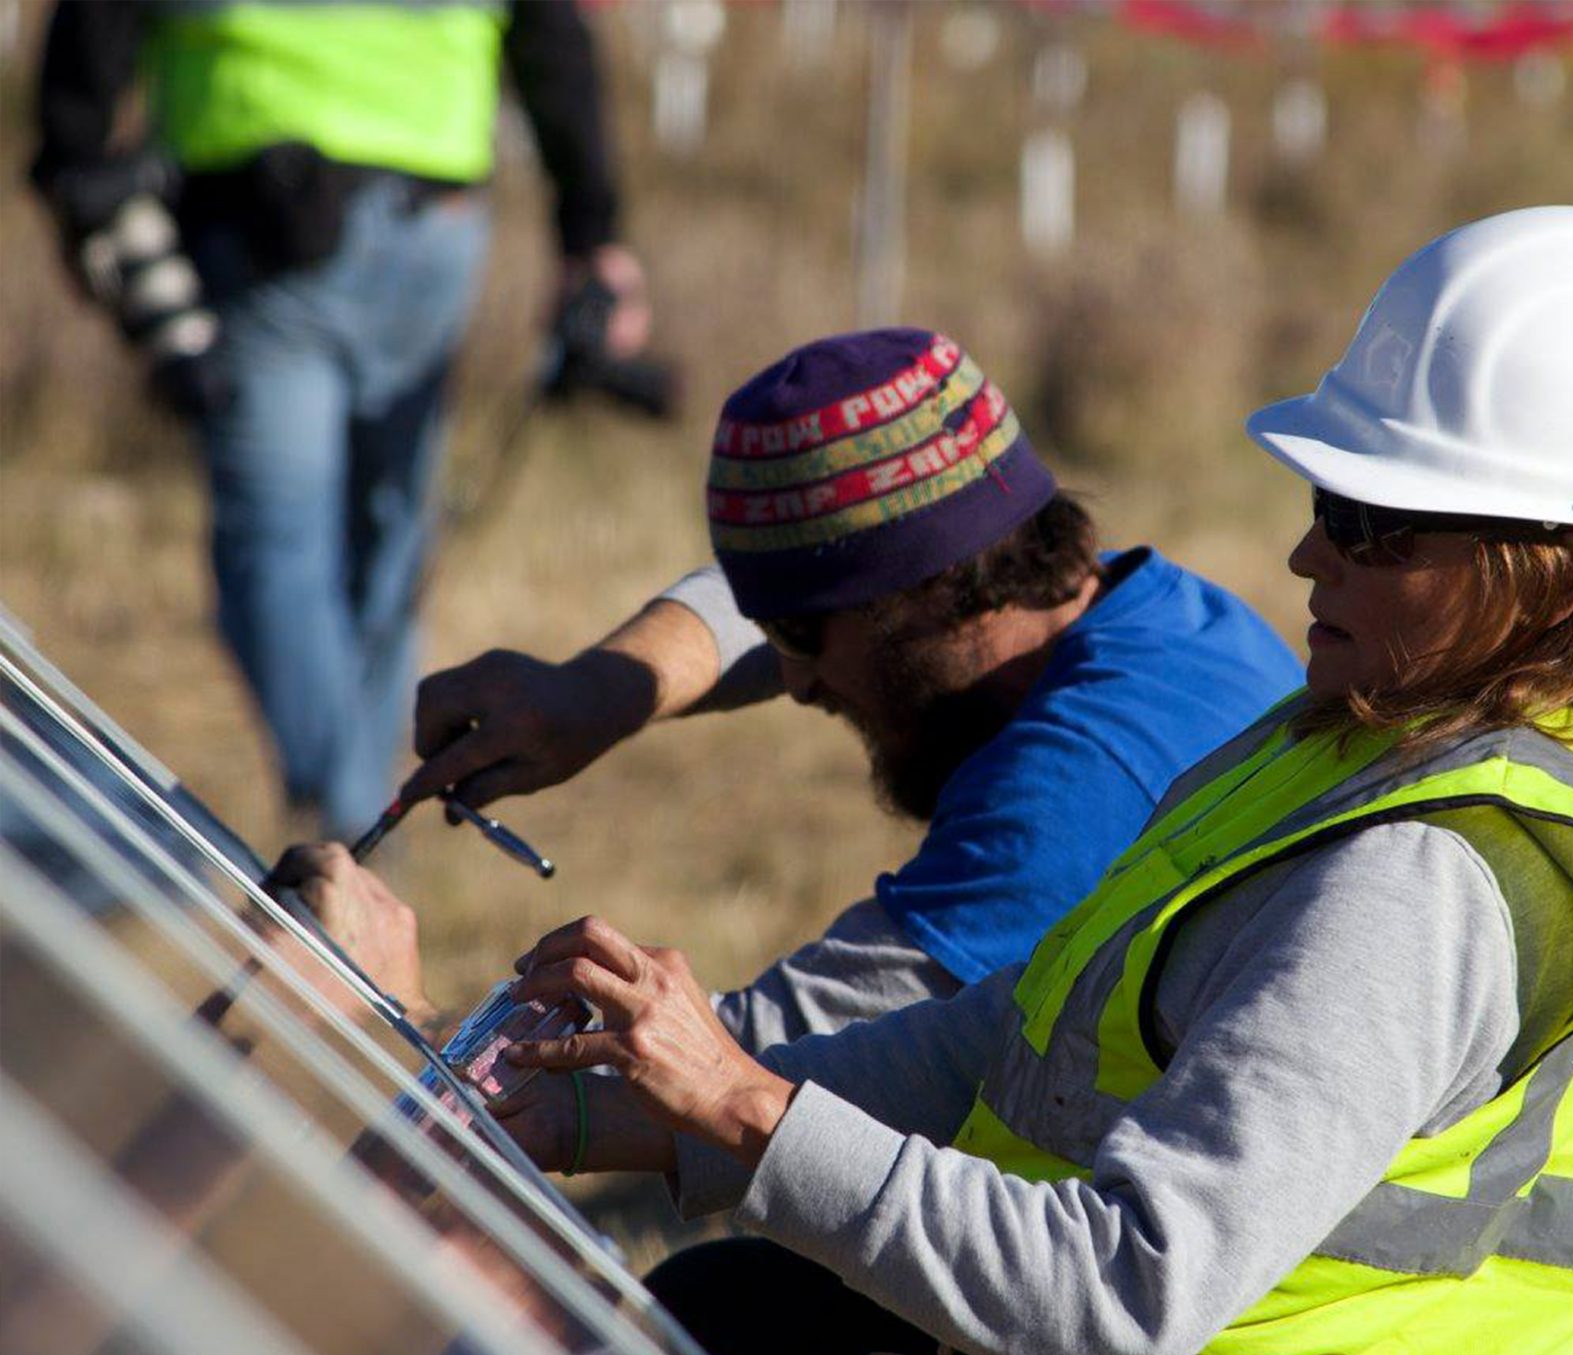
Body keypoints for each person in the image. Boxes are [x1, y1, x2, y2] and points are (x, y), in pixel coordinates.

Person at [468, 205, 1573, 1355]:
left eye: (1378, 524)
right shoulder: (1359, 735)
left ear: (1569, 573)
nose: (1309, 551)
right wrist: (610, 1116)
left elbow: (1126, 1295)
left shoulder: (1426, 873)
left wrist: (747, 1103)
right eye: (1327, 497)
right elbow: (1012, 1032)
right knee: (743, 1308)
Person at [393, 326, 1304, 1050]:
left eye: (801, 638)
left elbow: (738, 1073)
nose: (792, 683)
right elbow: (796, 592)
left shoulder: (1076, 791)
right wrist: (599, 691)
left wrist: (383, 1012)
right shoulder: (1142, 612)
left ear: (928, 591)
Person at [30, 0, 652, 837]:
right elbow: (552, 30)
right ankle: (364, 819)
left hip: (261, 224)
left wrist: (73, 159)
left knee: (277, 548)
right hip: (436, 216)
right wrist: (593, 231)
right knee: (383, 541)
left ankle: (346, 826)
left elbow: (93, 32)